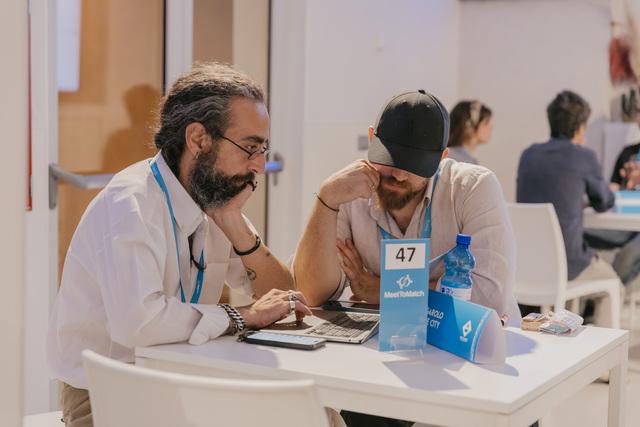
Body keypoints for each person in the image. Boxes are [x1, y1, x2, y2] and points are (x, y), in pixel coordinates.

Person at [47, 63, 312, 427]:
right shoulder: (131, 204)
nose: (259, 166)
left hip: (182, 377)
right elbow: (138, 325)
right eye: (250, 148)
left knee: (314, 413)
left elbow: (281, 294)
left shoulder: (213, 199)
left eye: (263, 149)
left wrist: (235, 225)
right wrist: (240, 316)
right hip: (110, 394)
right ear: (198, 139)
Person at [293, 90, 521, 427]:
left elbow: (487, 297)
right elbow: (313, 294)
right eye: (390, 158)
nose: (399, 174)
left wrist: (378, 290)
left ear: (442, 157)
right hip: (386, 358)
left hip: (471, 357)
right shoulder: (350, 190)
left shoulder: (473, 187)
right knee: (358, 407)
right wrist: (326, 200)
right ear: (372, 139)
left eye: (414, 165)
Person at [516, 90, 640, 319]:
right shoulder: (584, 157)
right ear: (580, 127)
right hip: (568, 265)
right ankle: (598, 339)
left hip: (529, 266)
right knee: (613, 285)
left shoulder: (528, 156)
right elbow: (604, 202)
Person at [446, 100, 493, 165]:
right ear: (469, 126)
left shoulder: (446, 155)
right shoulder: (463, 161)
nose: (490, 127)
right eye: (486, 123)